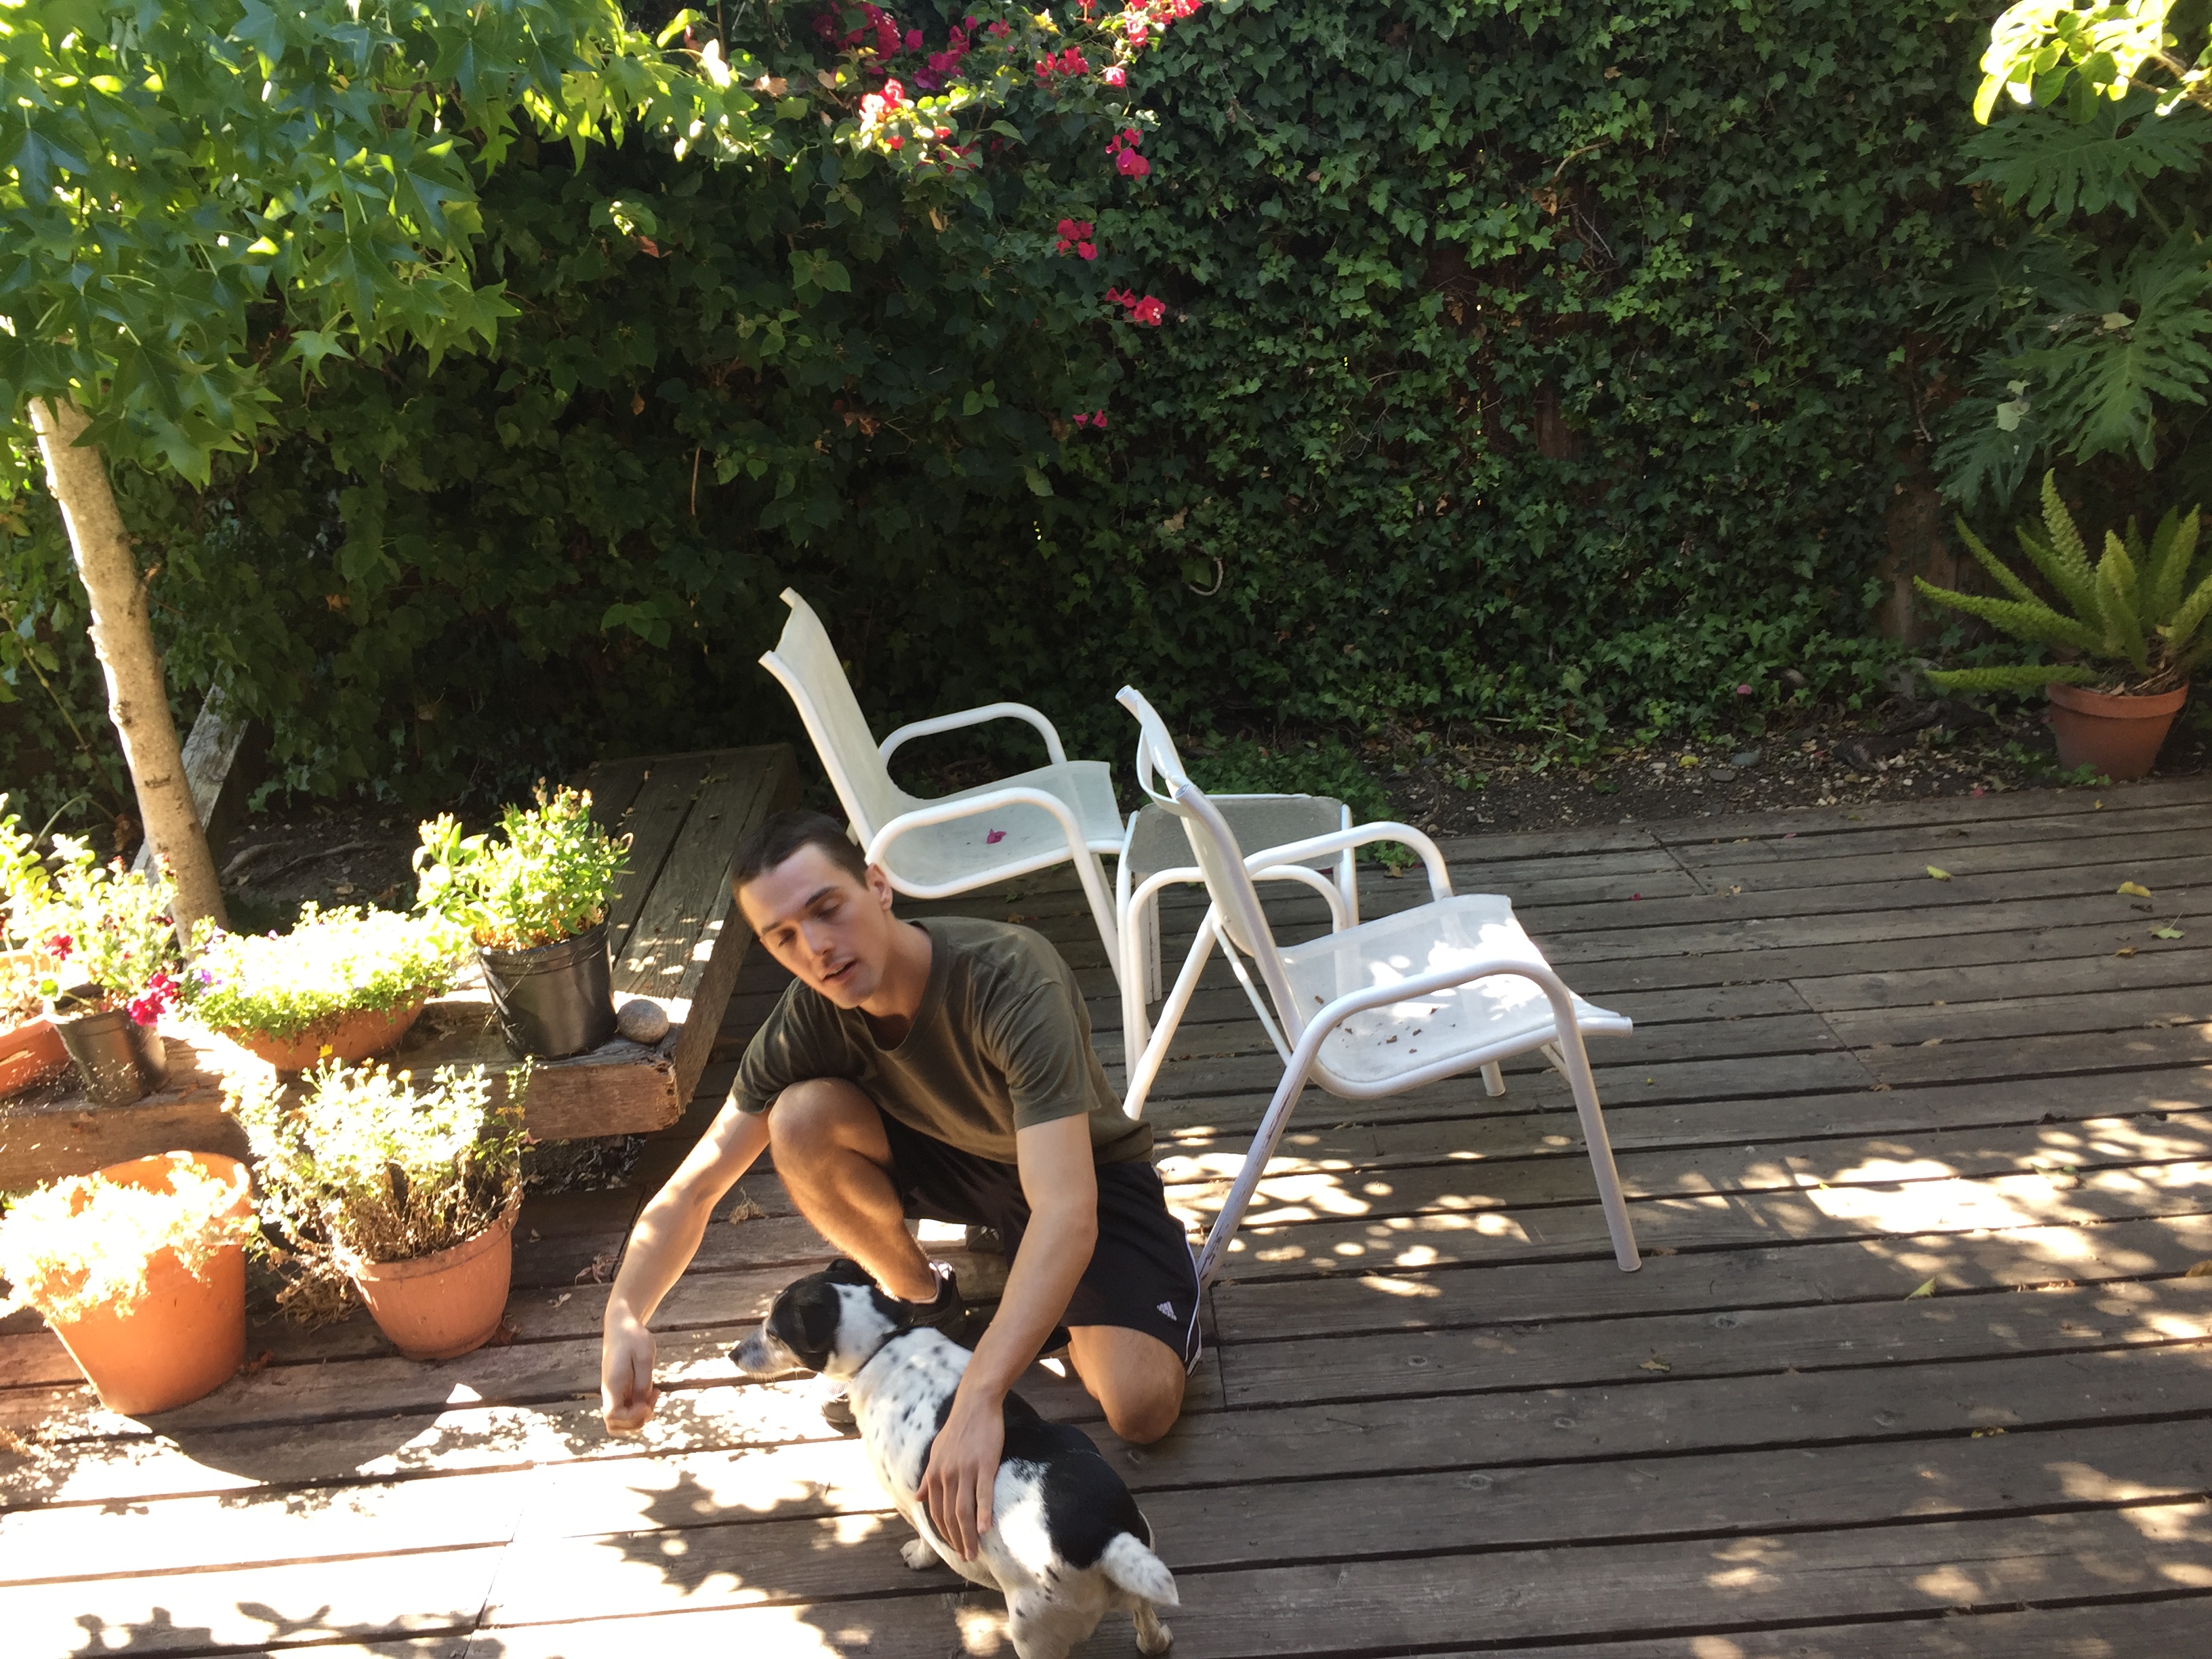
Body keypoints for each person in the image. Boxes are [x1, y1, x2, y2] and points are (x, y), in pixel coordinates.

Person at [598, 809, 1200, 1561]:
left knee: (1142, 1408)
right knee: (799, 1119)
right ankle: (923, 1300)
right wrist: (625, 1312)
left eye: (827, 909)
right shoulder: (808, 1017)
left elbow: (1067, 1209)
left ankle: (1114, 1293)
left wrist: (979, 1398)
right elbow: (695, 1188)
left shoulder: (1009, 974)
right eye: (783, 937)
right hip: (952, 1160)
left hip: (1080, 1171)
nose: (815, 947)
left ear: (878, 887)